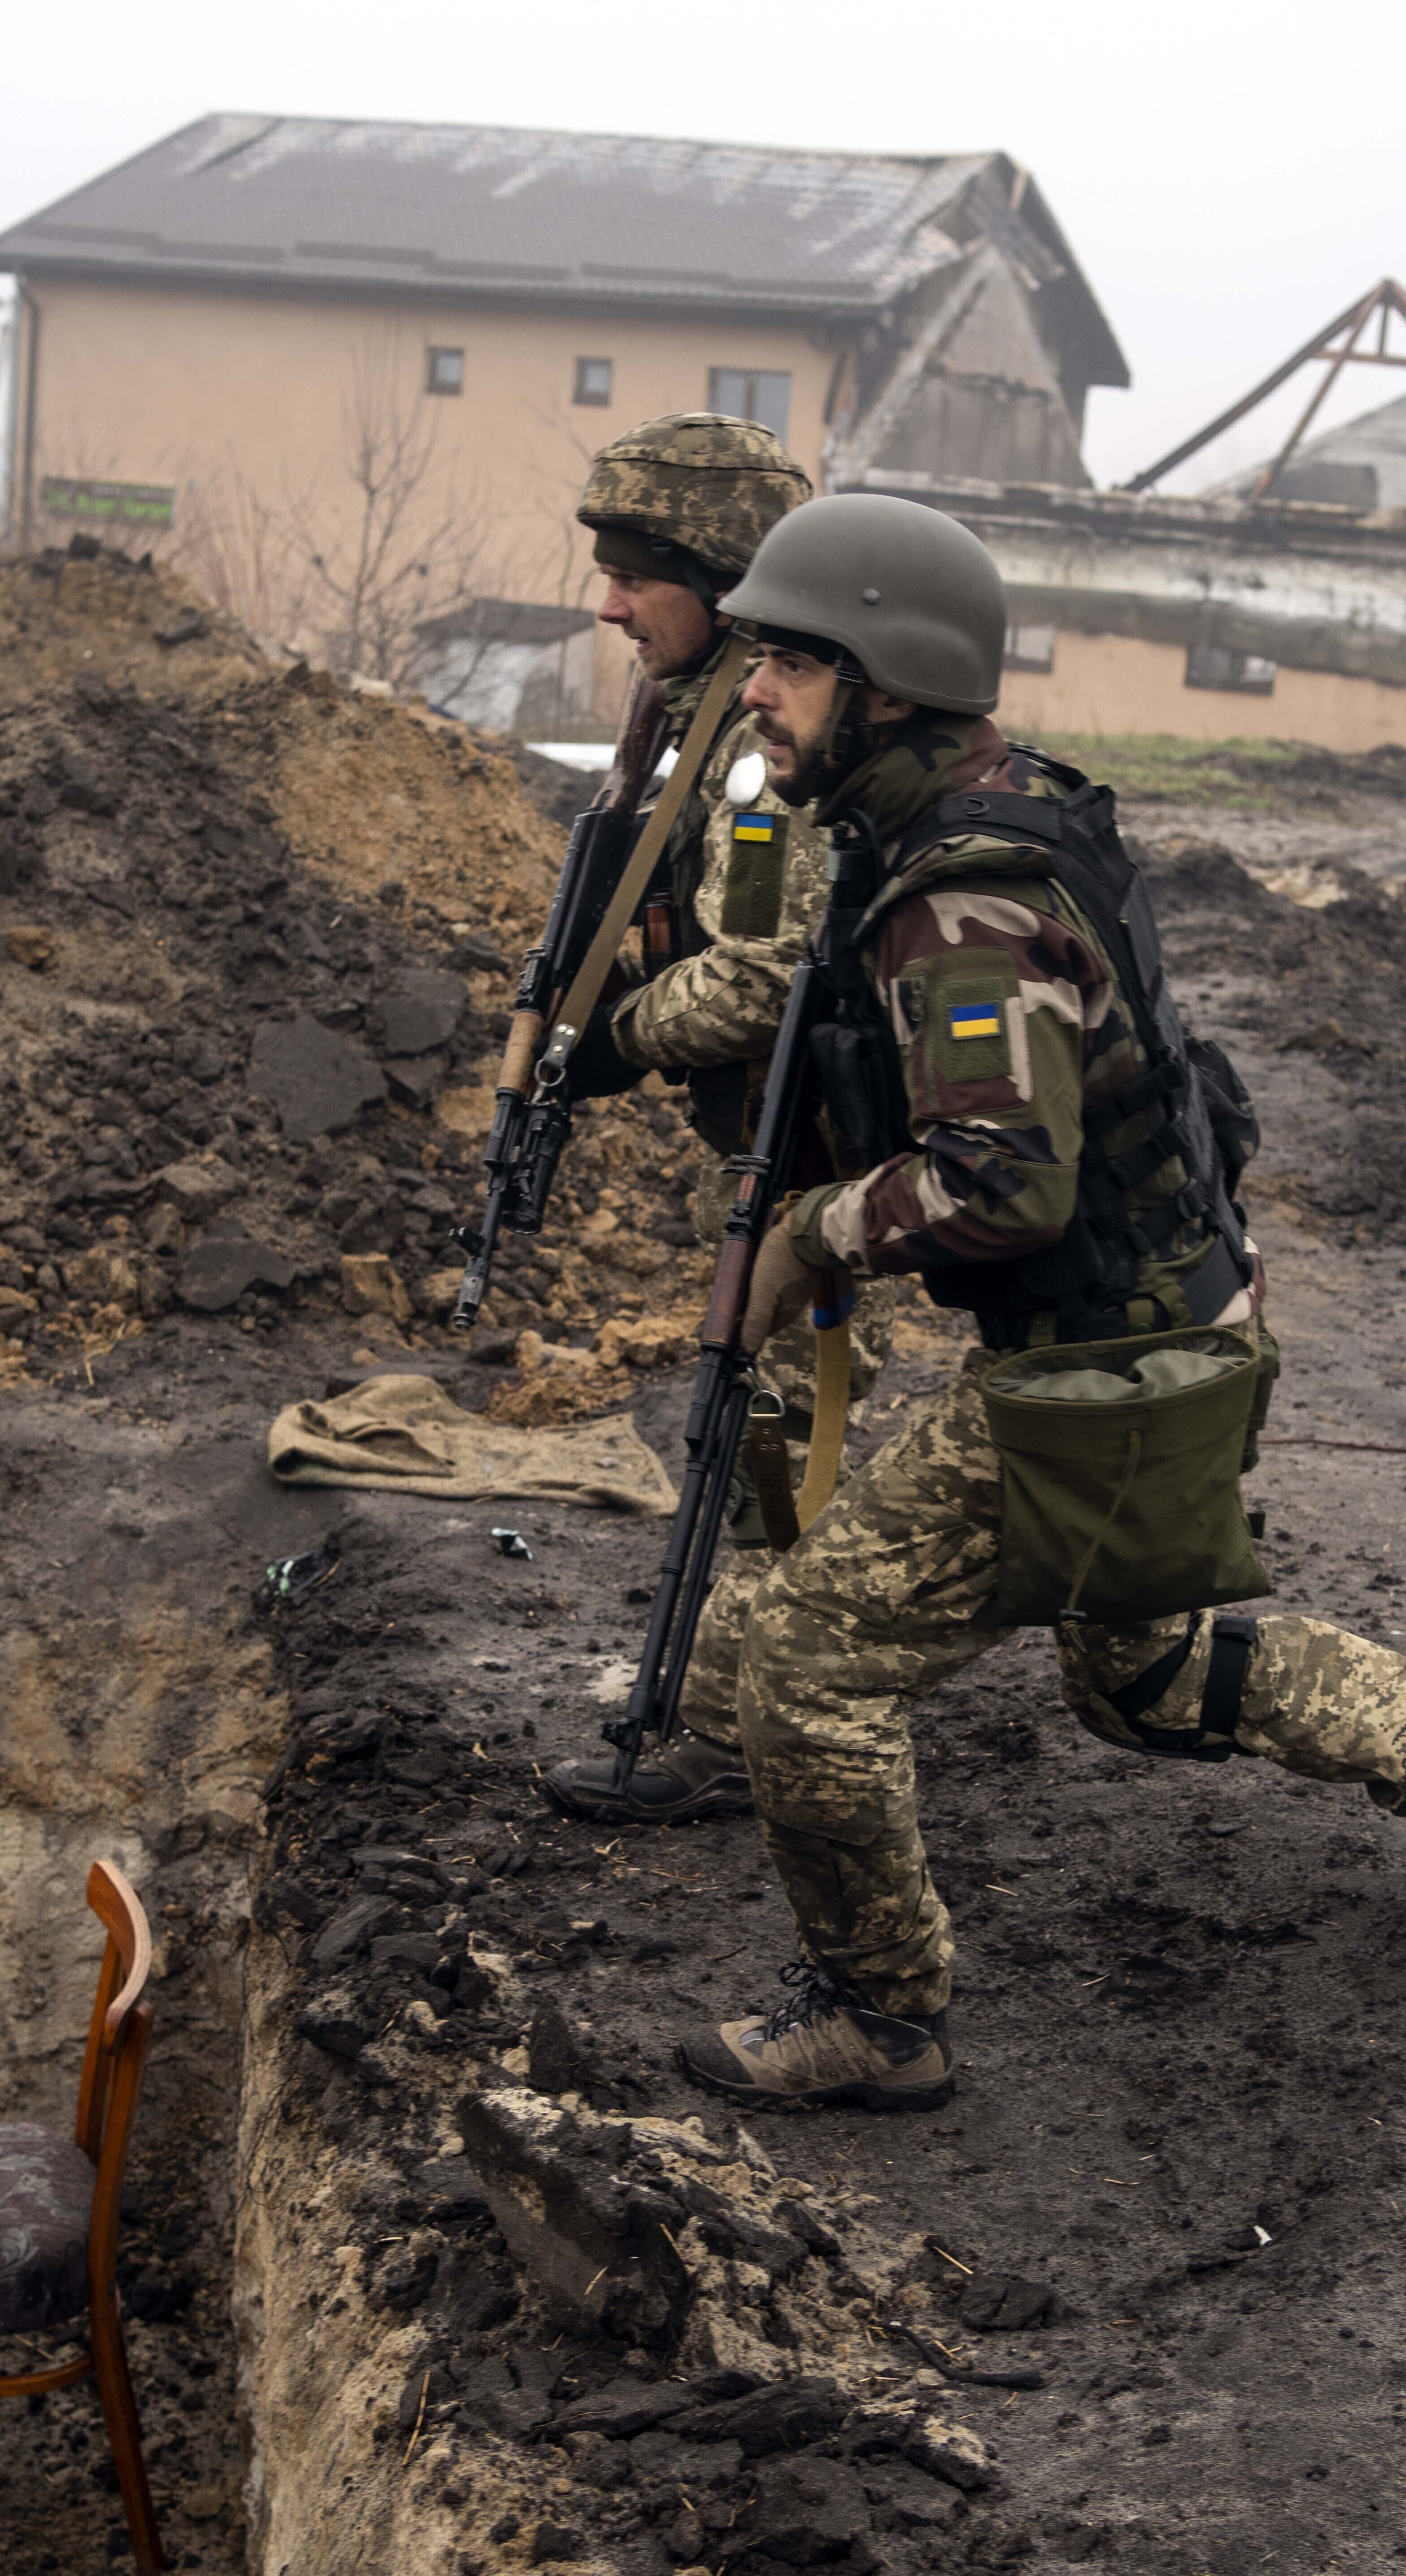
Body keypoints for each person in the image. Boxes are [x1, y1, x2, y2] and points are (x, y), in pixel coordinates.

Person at [665, 492, 1406, 2113]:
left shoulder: (961, 901)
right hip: (1166, 1322)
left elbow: (998, 1186)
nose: (753, 691)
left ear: (884, 678)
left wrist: (811, 1234)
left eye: (790, 662)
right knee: (1147, 1670)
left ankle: (879, 2019)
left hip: (1108, 1358)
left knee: (809, 1666)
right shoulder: (977, 815)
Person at [532, 415, 894, 1830]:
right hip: (785, 1140)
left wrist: (611, 1037)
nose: (610, 602)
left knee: (765, 1435)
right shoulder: (696, 717)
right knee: (756, 1431)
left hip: (822, 1150)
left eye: (637, 570)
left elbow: (764, 973)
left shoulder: (763, 746)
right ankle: (741, 1714)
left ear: (727, 576)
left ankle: (746, 1732)